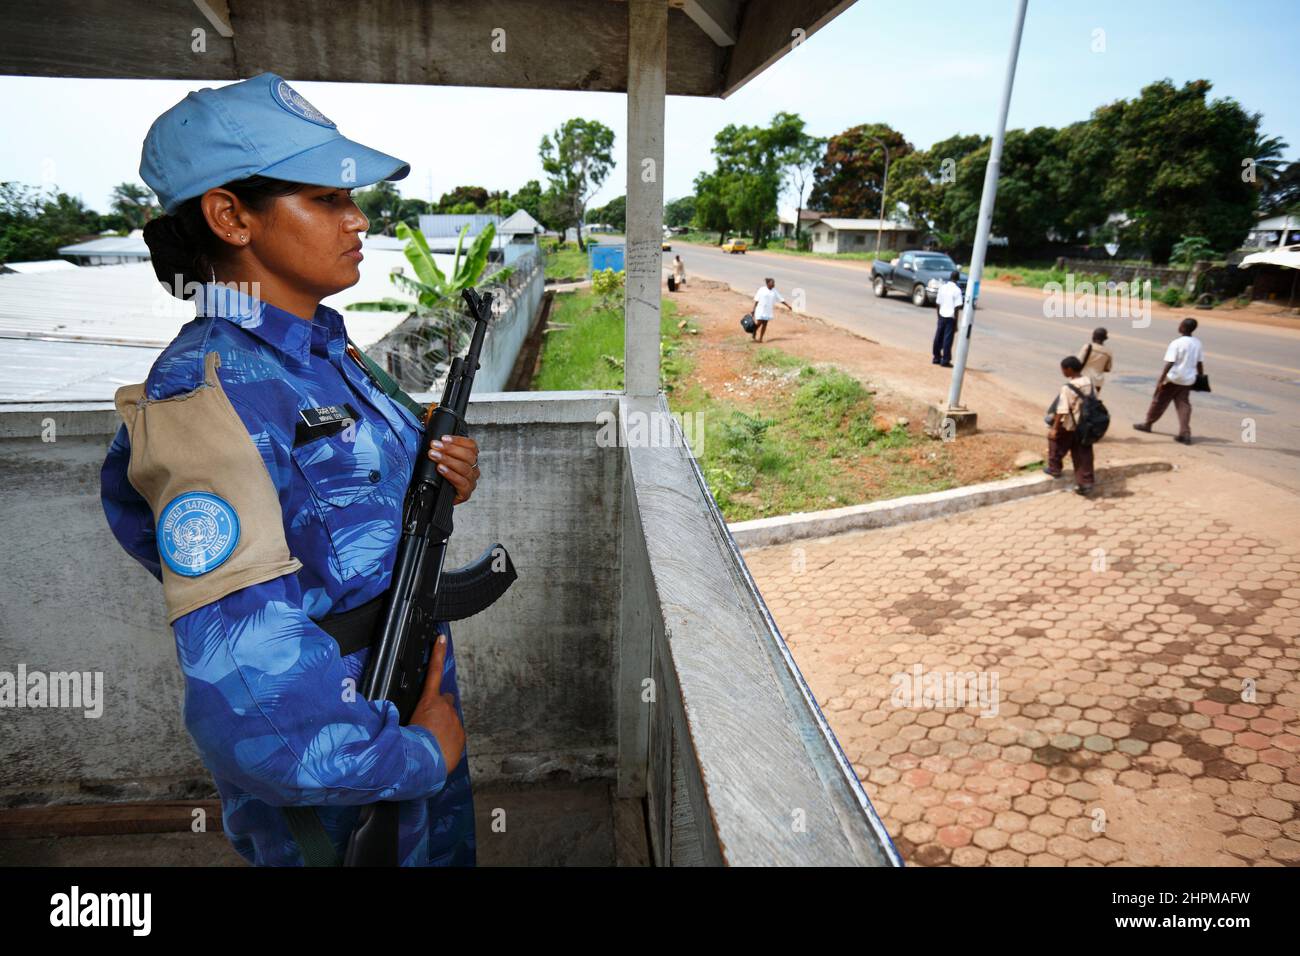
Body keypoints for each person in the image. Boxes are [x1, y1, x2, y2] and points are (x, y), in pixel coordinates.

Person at [99, 73, 482, 867]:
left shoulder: (325, 351)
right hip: (343, 775)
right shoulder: (200, 392)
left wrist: (440, 475)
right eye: (328, 199)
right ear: (231, 216)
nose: (359, 218)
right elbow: (247, 694)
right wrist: (416, 756)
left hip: (401, 698)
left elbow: (341, 504)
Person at [1133, 317, 1205, 445]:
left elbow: (1170, 363)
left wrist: (1161, 380)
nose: (1179, 326)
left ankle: (1148, 424)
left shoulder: (1176, 343)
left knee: (1159, 401)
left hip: (1174, 378)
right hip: (1188, 380)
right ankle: (1185, 433)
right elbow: (1199, 363)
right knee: (1184, 405)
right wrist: (1200, 377)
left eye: (1180, 324)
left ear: (1183, 327)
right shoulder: (1197, 343)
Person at [1045, 355, 1096, 496]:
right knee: (1083, 453)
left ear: (1069, 369)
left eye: (1063, 369)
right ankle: (1086, 483)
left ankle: (1054, 468)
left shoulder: (1068, 387)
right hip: (1086, 425)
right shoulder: (1088, 382)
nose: (1062, 372)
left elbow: (1062, 410)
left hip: (1071, 423)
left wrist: (1054, 428)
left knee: (1055, 441)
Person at [932, 270, 963, 367]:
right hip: (950, 318)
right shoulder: (957, 290)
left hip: (941, 316)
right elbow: (956, 308)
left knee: (938, 337)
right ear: (957, 278)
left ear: (950, 277)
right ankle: (945, 360)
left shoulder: (943, 287)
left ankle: (936, 357)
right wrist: (956, 323)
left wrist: (939, 316)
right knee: (947, 339)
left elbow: (938, 303)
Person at [751, 276, 793, 343]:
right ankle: (754, 331)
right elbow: (757, 300)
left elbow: (780, 299)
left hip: (768, 310)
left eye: (774, 283)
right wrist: (753, 309)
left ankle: (760, 338)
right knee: (759, 323)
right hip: (760, 309)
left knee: (765, 324)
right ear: (768, 283)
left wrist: (788, 305)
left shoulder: (774, 291)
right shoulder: (762, 289)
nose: (774, 284)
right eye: (772, 283)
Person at [1078, 326, 1113, 392]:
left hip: (1084, 379)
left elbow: (1078, 362)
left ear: (1093, 337)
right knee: (1093, 401)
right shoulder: (1108, 352)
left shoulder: (1087, 347)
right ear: (1105, 339)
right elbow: (1108, 369)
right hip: (1098, 382)